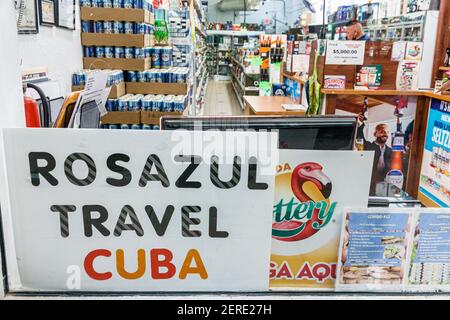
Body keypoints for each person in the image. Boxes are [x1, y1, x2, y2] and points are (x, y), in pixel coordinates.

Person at [357, 118, 392, 195]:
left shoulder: (390, 151)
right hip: (368, 185)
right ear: (375, 134)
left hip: (384, 186)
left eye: (386, 132)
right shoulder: (368, 146)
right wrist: (361, 123)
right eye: (382, 132)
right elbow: (359, 136)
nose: (384, 134)